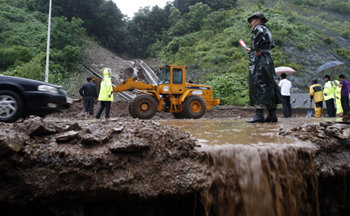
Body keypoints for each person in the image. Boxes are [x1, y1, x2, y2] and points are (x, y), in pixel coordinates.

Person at [245, 12, 282, 123]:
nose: (251, 22)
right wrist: (252, 50)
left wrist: (255, 49)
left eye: (252, 20)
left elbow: (258, 42)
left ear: (258, 19)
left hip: (260, 61)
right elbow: (270, 45)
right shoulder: (268, 31)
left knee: (258, 83)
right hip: (268, 60)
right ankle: (272, 114)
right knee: (269, 84)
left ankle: (259, 114)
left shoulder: (258, 29)